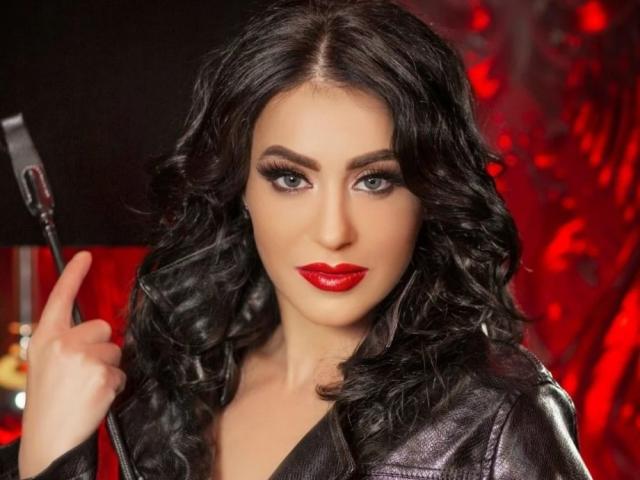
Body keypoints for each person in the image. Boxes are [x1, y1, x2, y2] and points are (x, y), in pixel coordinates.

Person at [0, 0, 593, 479]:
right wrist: (48, 459)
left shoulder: (497, 422)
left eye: (375, 180)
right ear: (241, 188)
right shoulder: (170, 384)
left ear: (429, 194)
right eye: (290, 178)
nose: (333, 232)